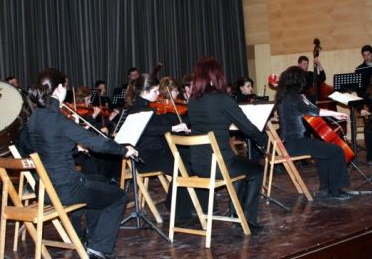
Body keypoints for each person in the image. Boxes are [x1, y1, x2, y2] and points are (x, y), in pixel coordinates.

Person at [22, 68, 138, 259]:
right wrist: (124, 150)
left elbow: (50, 148)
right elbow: (97, 143)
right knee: (119, 197)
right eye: (65, 87)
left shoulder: (35, 118)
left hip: (44, 188)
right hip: (66, 188)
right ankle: (98, 249)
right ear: (59, 88)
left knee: (100, 181)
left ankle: (92, 239)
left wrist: (75, 147)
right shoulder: (57, 119)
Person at [187, 57, 268, 231]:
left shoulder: (193, 101)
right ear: (215, 76)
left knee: (239, 164)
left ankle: (234, 212)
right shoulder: (222, 99)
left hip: (199, 165)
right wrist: (264, 141)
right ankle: (248, 221)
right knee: (256, 170)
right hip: (219, 165)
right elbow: (247, 128)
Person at [276, 66, 352, 199]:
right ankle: (336, 190)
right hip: (296, 143)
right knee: (336, 151)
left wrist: (302, 99)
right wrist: (335, 113)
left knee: (323, 152)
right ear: (298, 80)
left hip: (288, 143)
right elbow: (313, 112)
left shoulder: (284, 96)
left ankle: (325, 188)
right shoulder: (293, 97)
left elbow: (300, 109)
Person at [125, 74, 194, 217]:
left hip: (159, 151)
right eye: (155, 91)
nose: (158, 94)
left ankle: (177, 205)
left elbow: (160, 126)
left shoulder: (149, 107)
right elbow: (148, 131)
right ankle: (178, 210)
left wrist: (179, 127)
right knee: (183, 168)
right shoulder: (137, 109)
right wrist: (173, 128)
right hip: (145, 157)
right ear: (144, 92)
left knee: (191, 160)